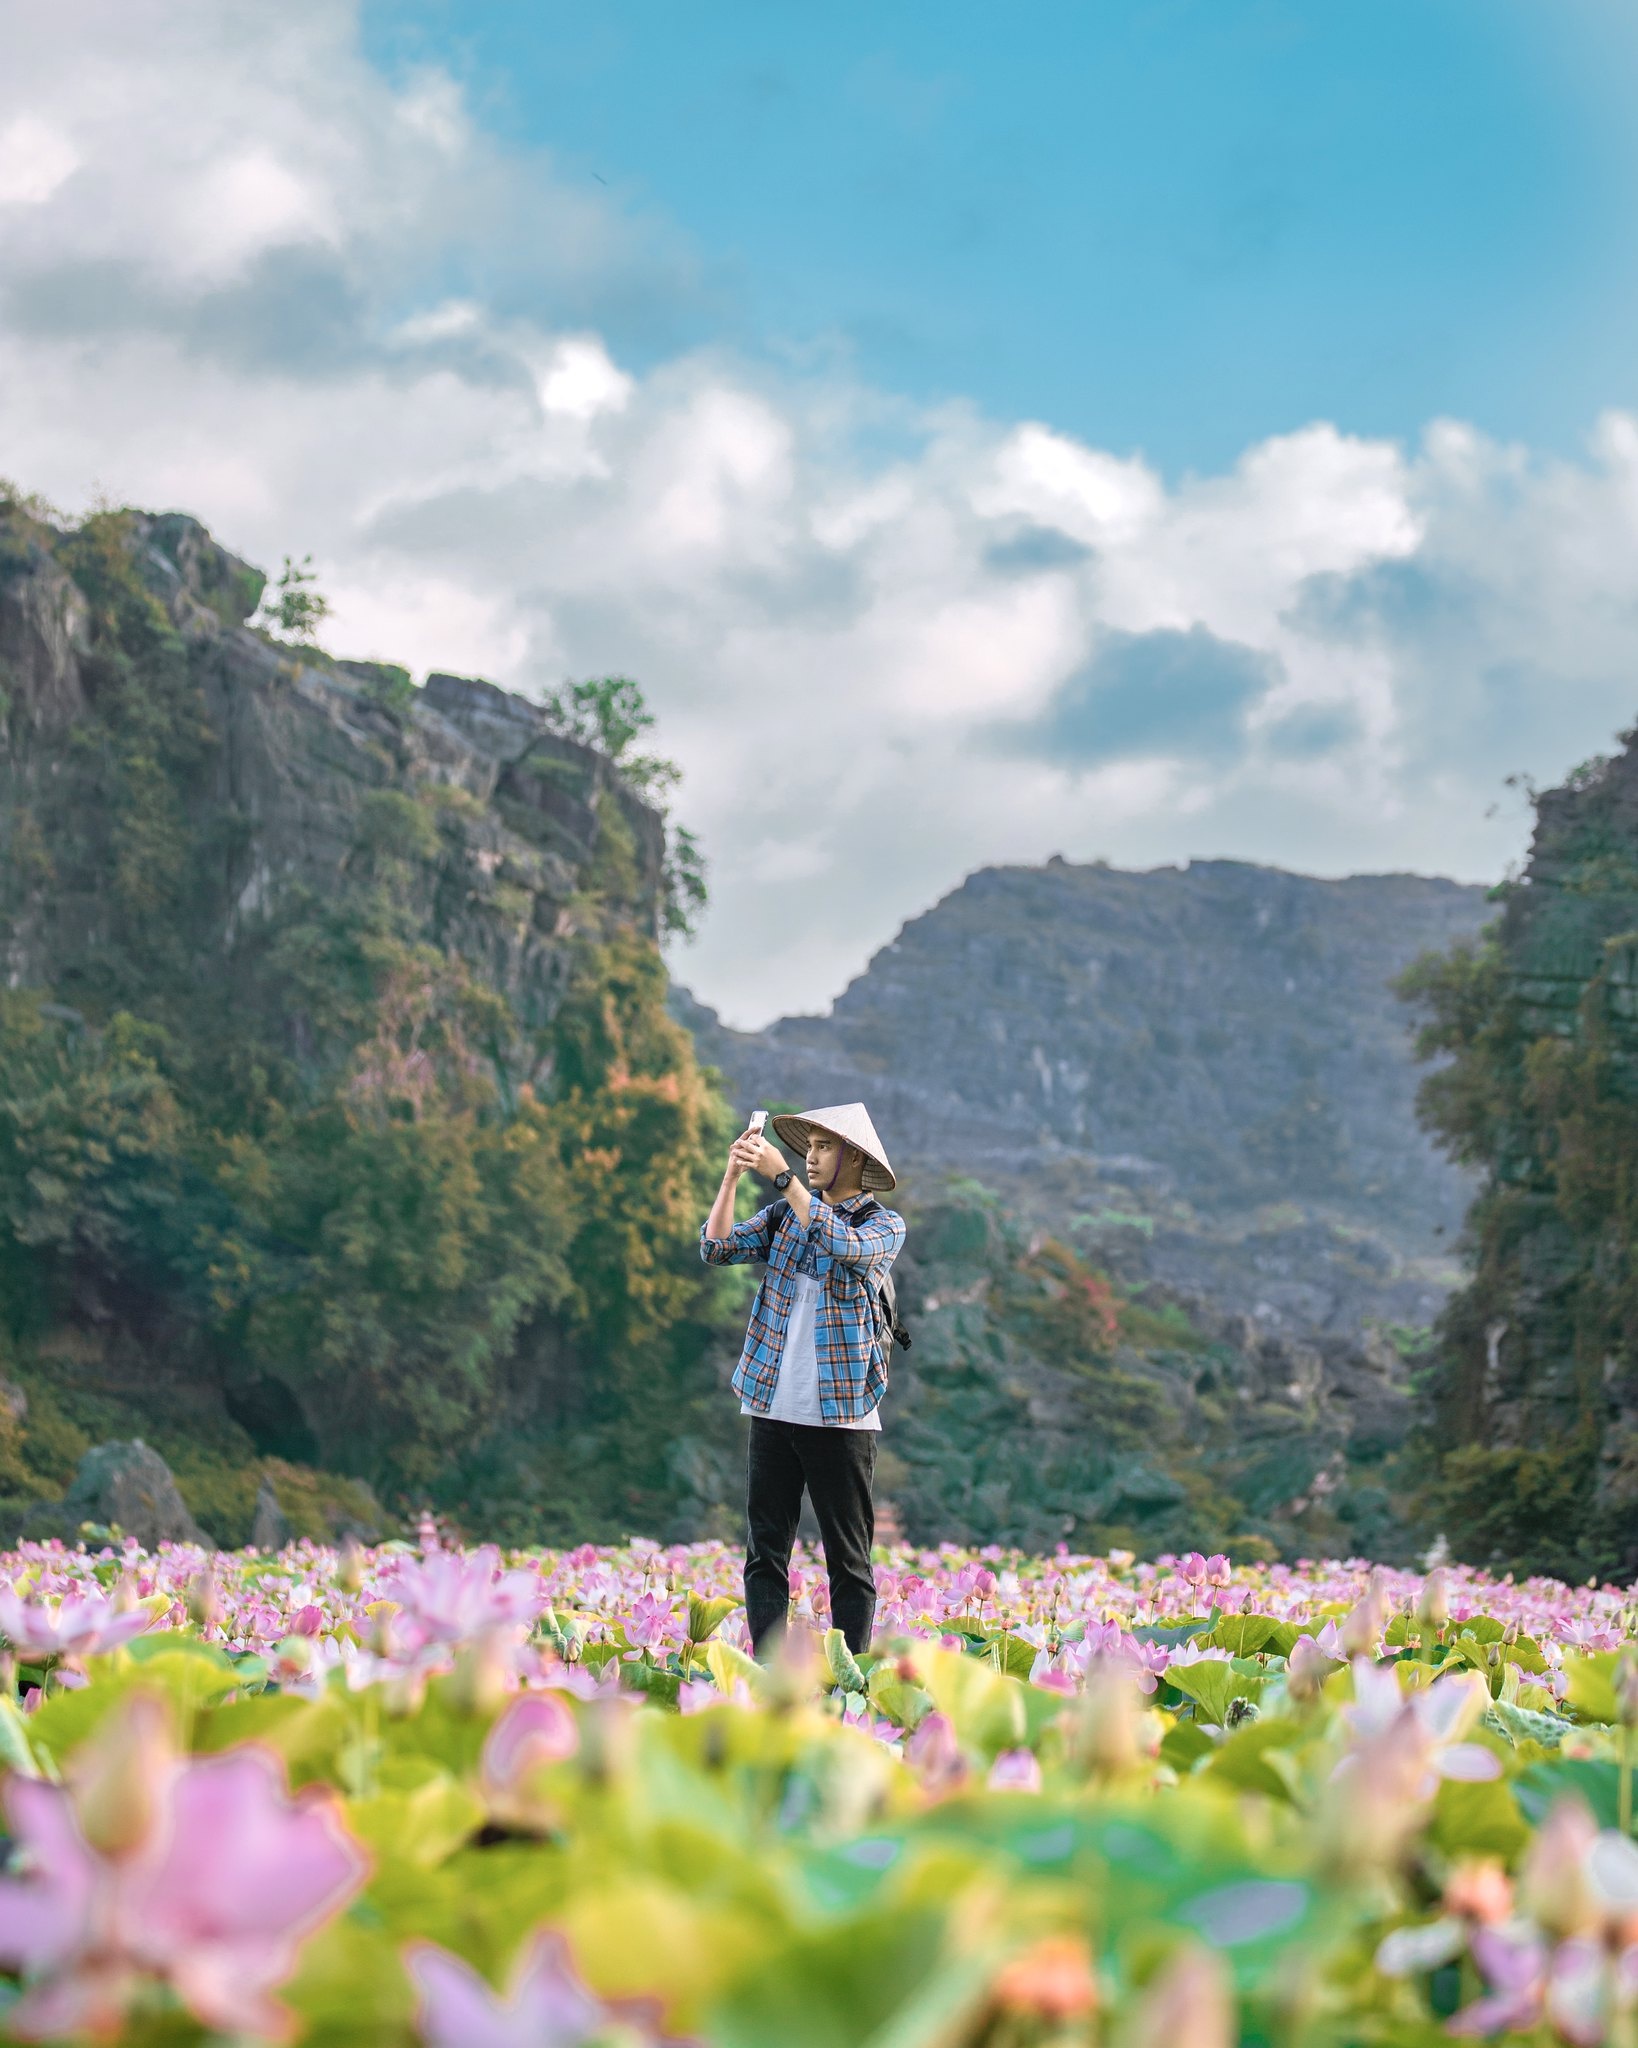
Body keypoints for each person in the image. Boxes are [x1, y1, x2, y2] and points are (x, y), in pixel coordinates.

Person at [700, 1102, 905, 1656]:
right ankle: (768, 1677)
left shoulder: (884, 1226)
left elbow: (844, 1245)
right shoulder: (783, 1217)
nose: (809, 1158)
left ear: (853, 1158)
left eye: (822, 1148)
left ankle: (851, 1679)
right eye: (806, 1148)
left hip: (841, 1415)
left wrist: (784, 1178)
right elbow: (716, 1247)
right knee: (765, 1550)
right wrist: (733, 1175)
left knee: (848, 1557)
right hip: (770, 1406)